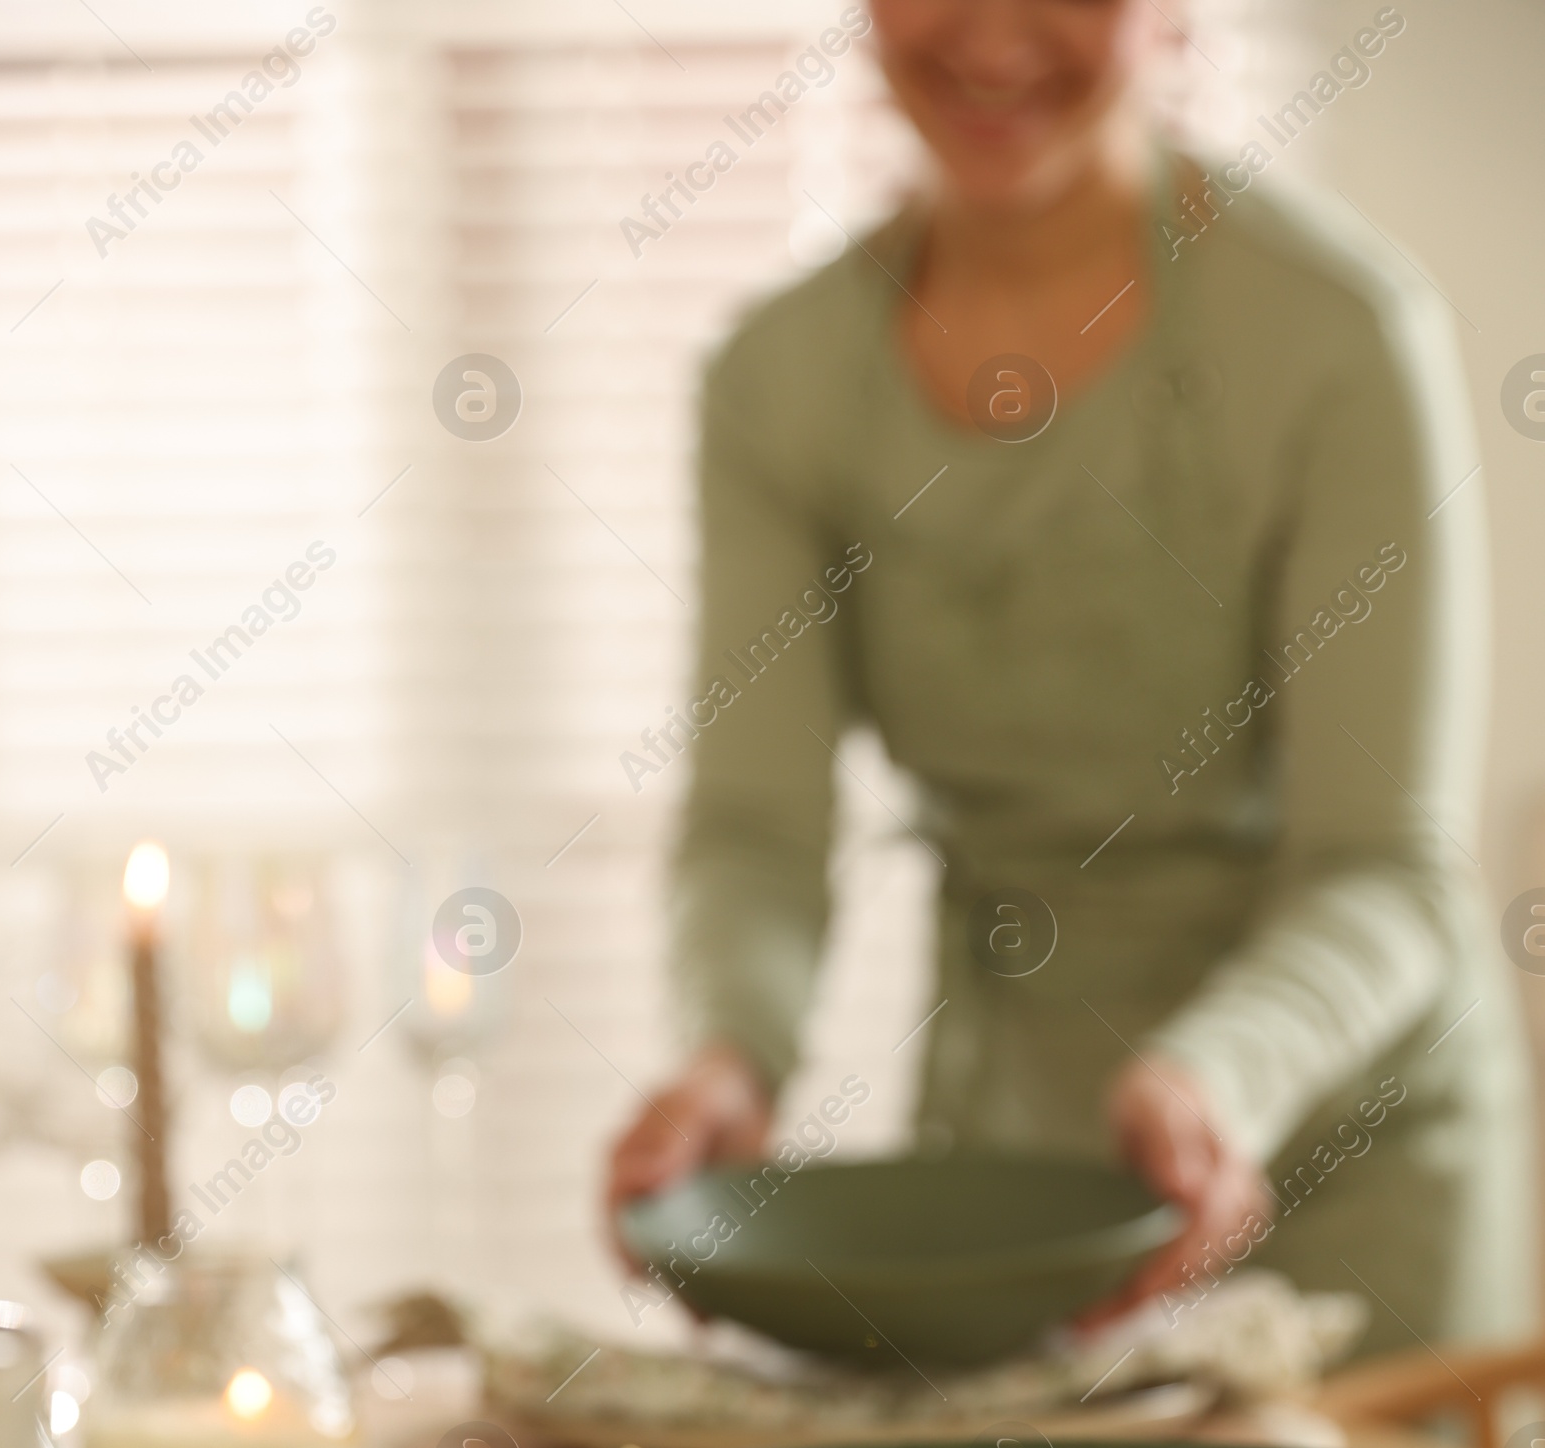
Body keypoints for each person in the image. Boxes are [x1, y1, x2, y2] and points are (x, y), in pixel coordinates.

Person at [606, 0, 1534, 1352]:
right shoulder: (776, 380)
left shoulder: (1338, 336)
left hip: (1346, 1165)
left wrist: (1213, 1085)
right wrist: (727, 1057)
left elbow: (1383, 866)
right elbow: (756, 833)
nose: (993, 33)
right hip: (1014, 1183)